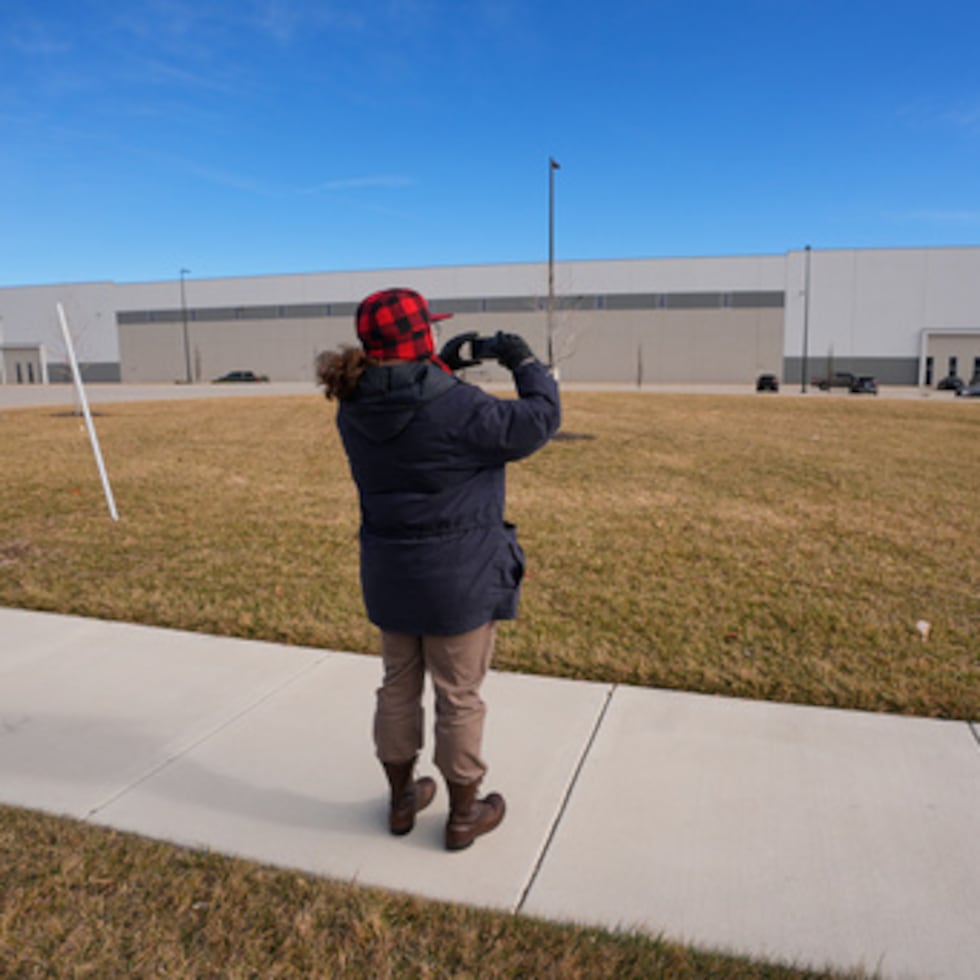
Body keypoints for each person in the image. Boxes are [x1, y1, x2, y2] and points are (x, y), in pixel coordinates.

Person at [316, 287, 560, 851]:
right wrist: (524, 361)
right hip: (457, 579)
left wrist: (441, 367)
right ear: (421, 336)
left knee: (397, 688)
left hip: (390, 573)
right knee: (459, 695)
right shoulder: (460, 407)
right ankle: (464, 813)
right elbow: (540, 419)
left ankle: (401, 800)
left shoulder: (353, 406)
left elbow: (407, 403)